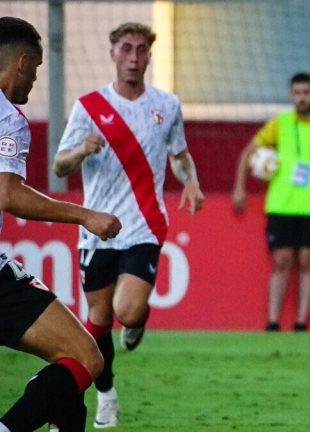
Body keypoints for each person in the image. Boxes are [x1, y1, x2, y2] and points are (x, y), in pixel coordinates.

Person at [52, 22, 204, 428]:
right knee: (98, 321)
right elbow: (59, 164)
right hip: (98, 226)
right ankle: (106, 394)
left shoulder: (167, 105)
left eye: (141, 50)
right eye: (126, 49)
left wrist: (191, 181)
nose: (134, 57)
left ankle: (137, 321)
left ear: (150, 56)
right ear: (113, 53)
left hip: (145, 225)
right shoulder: (88, 107)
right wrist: (81, 151)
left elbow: (180, 153)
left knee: (129, 309)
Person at [0, 16, 123, 431]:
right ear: (20, 63)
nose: (33, 83)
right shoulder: (7, 118)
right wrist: (86, 215)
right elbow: (10, 195)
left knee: (68, 391)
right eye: (34, 71)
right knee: (85, 357)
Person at [232, 72, 310, 332]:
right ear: (291, 95)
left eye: (306, 93)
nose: (302, 98)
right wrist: (239, 188)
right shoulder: (280, 124)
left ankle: (301, 323)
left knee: (308, 259)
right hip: (282, 204)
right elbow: (247, 152)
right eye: (297, 93)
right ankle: (272, 322)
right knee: (282, 259)